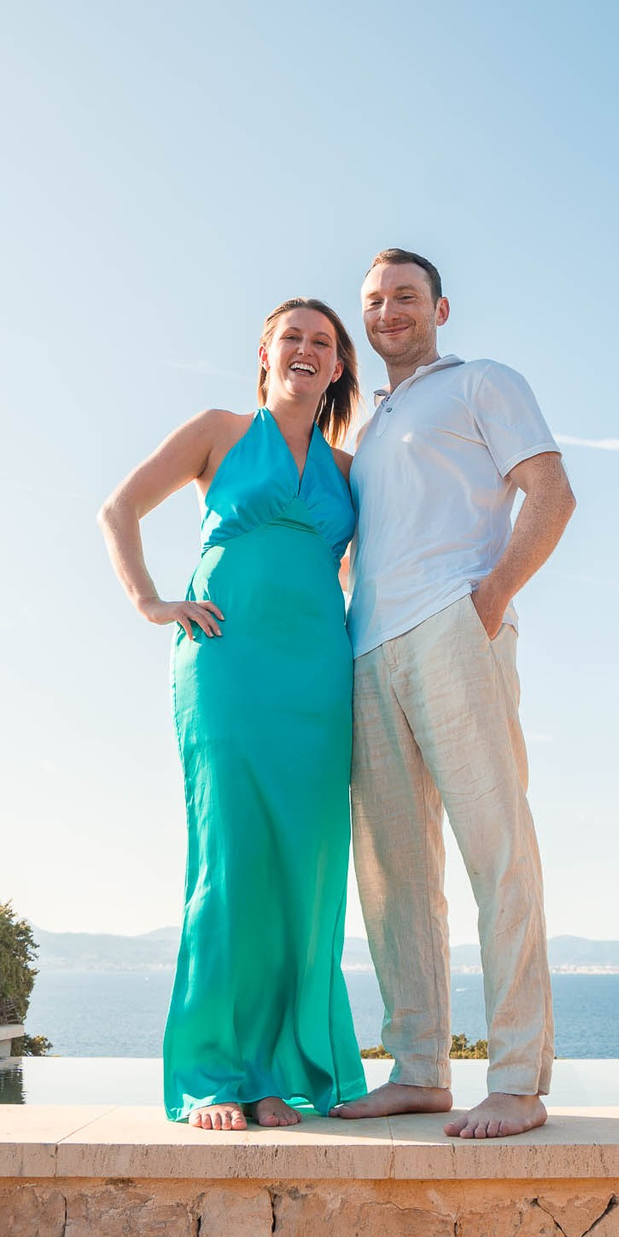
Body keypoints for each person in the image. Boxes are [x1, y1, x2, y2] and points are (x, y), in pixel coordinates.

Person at [97, 298, 371, 1129]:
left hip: (319, 682)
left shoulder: (348, 468)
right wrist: (149, 600)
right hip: (227, 665)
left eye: (322, 342)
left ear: (336, 368)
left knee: (308, 869)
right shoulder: (218, 429)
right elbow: (118, 509)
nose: (306, 349)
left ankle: (277, 1073)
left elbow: (366, 570)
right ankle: (217, 1070)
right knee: (231, 855)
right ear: (264, 352)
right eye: (293, 336)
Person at [330, 249, 575, 1139]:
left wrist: (491, 598)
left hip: (454, 627)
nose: (388, 311)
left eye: (404, 296)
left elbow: (551, 492)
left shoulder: (481, 382)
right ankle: (420, 1067)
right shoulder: (366, 424)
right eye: (374, 300)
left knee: (495, 850)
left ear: (438, 306)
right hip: (370, 648)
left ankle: (516, 1078)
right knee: (394, 876)